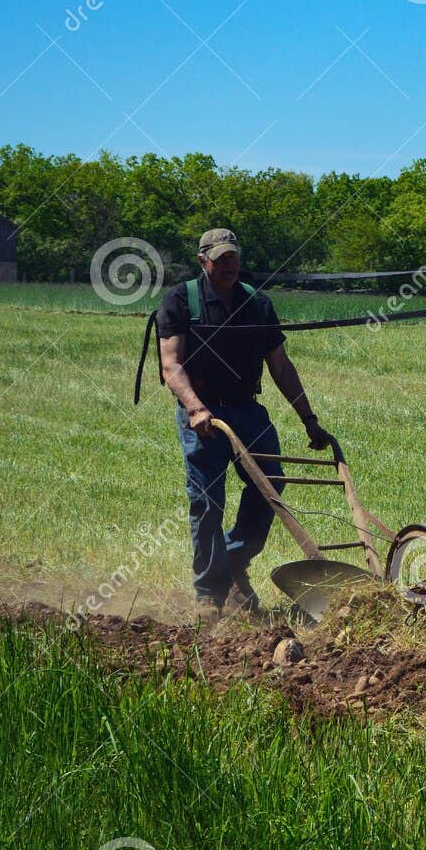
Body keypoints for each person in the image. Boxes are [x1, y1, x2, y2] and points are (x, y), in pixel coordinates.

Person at [155, 228, 331, 625]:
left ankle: (234, 560)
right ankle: (208, 593)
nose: (229, 265)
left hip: (247, 411)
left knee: (271, 487)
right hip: (203, 415)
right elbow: (171, 365)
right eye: (220, 259)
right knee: (207, 502)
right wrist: (196, 408)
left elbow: (281, 367)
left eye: (233, 257)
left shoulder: (257, 304)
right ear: (203, 261)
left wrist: (310, 420)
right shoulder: (181, 300)